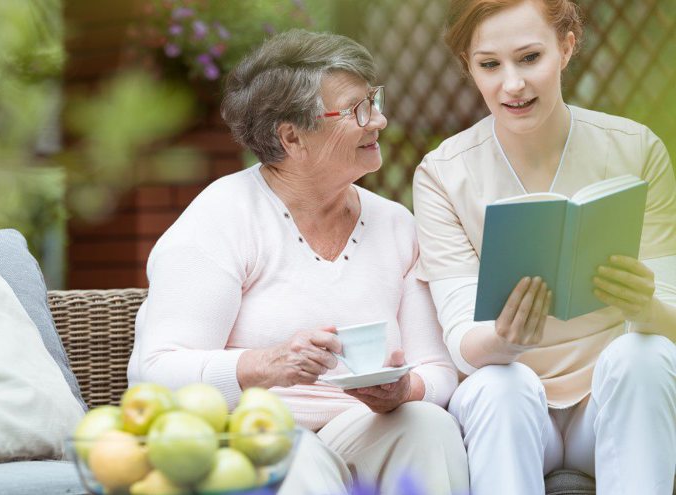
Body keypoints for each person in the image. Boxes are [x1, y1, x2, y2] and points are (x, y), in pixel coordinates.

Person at [128, 29, 469, 495]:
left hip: (358, 431)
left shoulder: (396, 226)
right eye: (357, 109)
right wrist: (266, 364)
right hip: (247, 436)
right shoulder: (222, 217)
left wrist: (403, 391)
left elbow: (437, 369)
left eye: (375, 101)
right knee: (295, 455)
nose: (380, 120)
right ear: (292, 137)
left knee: (428, 426)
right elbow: (157, 371)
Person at [412, 1, 676, 494]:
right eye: (489, 65)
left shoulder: (635, 149)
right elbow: (462, 339)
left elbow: (673, 323)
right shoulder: (443, 174)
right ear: (470, 68)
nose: (512, 84)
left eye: (530, 58)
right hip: (514, 409)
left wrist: (644, 307)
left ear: (566, 47)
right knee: (498, 384)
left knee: (646, 355)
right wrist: (506, 341)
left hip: (608, 405)